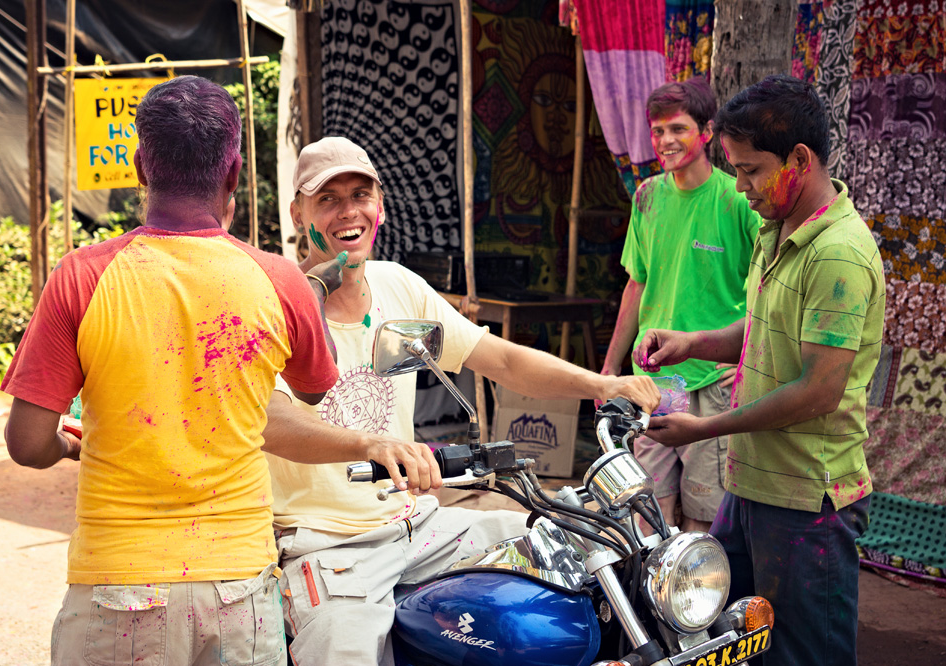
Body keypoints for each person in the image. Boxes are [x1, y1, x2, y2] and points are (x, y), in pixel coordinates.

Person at [267, 136, 661, 665]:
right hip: (329, 545)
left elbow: (502, 360)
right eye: (327, 200)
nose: (348, 212)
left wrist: (603, 384)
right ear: (298, 213)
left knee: (576, 546)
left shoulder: (398, 287)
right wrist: (370, 444)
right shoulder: (277, 304)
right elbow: (269, 421)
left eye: (360, 195)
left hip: (418, 526)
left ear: (380, 205)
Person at [1, 75, 342, 666]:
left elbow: (27, 444)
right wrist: (310, 291)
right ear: (234, 174)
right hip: (237, 586)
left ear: (140, 168)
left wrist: (68, 445)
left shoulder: (82, 275)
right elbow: (314, 389)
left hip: (116, 584)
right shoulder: (279, 280)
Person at [634, 74, 885, 666]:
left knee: (802, 654)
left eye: (750, 170)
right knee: (724, 639)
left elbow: (818, 390)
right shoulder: (777, 229)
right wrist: (694, 343)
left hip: (805, 497)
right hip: (750, 486)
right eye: (736, 170)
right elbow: (763, 331)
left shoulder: (838, 253)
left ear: (799, 159)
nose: (741, 185)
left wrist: (704, 429)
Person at [600, 77, 761, 532]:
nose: (666, 140)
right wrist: (609, 370)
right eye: (658, 131)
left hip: (713, 383)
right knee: (645, 514)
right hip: (654, 383)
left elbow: (766, 291)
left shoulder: (737, 200)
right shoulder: (647, 197)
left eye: (678, 129)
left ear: (706, 132)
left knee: (701, 522)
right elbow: (636, 286)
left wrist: (745, 357)